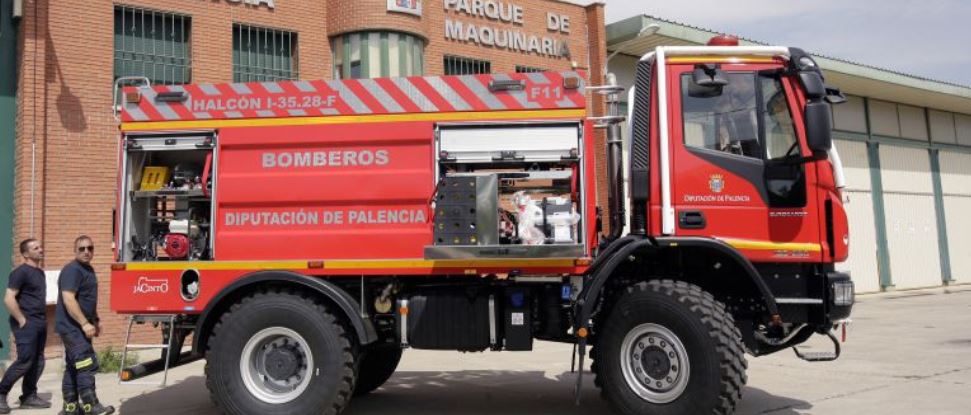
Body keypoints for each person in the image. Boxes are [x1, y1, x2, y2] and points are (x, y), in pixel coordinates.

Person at [55, 236, 114, 415]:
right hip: (72, 327)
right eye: (81, 249)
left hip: (79, 327)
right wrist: (84, 323)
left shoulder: (87, 269)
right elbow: (68, 299)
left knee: (74, 366)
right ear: (75, 251)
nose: (86, 251)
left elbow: (86, 300)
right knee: (86, 364)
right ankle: (91, 406)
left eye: (90, 248)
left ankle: (70, 407)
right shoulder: (73, 270)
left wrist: (95, 320)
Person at [0, 239, 52, 413]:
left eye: (40, 246)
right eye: (35, 248)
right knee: (25, 361)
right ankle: (1, 394)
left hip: (39, 322)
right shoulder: (20, 272)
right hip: (26, 323)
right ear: (25, 254)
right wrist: (22, 320)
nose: (40, 249)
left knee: (38, 362)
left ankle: (29, 396)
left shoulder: (40, 273)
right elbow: (8, 298)